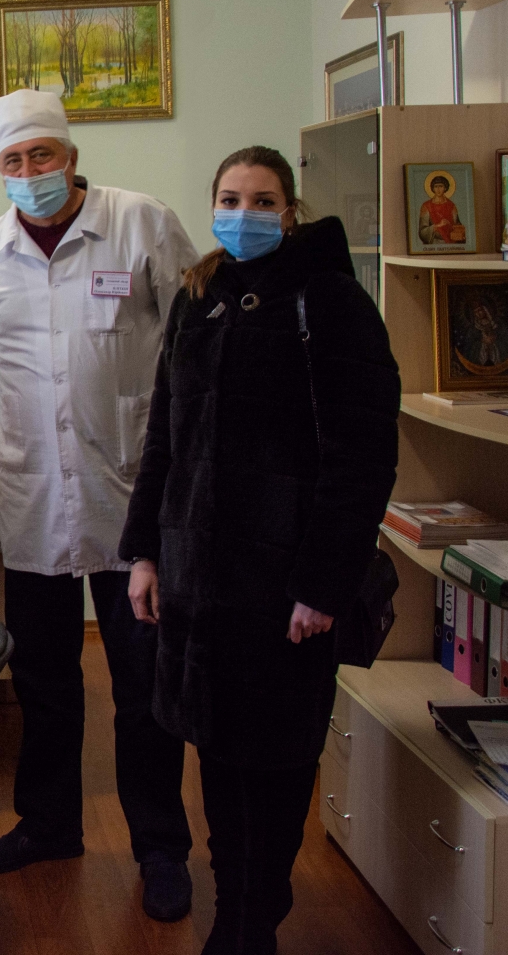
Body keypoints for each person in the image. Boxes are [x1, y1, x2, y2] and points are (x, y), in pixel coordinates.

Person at [119, 146, 400, 955]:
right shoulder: (198, 296)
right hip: (197, 587)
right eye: (231, 199)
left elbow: (362, 459)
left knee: (274, 764)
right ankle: (234, 914)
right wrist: (145, 554)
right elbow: (165, 438)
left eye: (263, 200)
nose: (244, 214)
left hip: (282, 590)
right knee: (217, 757)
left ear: (291, 210)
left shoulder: (330, 301)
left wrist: (322, 584)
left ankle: (251, 924)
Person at [0, 88, 200, 921]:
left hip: (134, 499)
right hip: (32, 497)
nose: (30, 172)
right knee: (45, 678)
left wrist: (192, 480)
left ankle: (160, 847)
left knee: (142, 682)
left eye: (43, 156)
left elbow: (196, 348)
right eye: (14, 161)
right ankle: (49, 825)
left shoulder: (141, 223)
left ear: (71, 157)